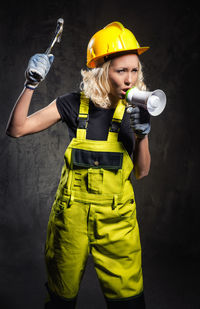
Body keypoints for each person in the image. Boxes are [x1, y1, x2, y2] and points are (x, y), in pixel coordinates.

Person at [6, 21, 151, 308]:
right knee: (61, 299)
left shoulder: (139, 109)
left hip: (117, 222)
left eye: (134, 70)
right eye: (121, 70)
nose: (129, 80)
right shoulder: (73, 104)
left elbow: (142, 171)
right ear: (101, 70)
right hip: (70, 219)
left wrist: (142, 134)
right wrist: (30, 84)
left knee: (129, 303)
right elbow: (17, 129)